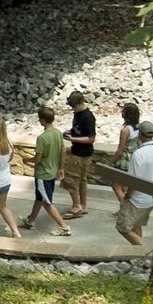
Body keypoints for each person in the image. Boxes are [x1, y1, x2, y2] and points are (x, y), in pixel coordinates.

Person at [19, 106, 72, 237]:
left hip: (43, 174)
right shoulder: (58, 134)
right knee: (40, 198)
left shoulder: (42, 138)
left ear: (42, 120)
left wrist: (27, 160)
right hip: (52, 172)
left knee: (47, 202)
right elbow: (63, 151)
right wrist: (61, 168)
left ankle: (64, 227)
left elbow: (37, 159)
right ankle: (30, 221)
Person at [116, 120, 153, 246]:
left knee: (123, 227)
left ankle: (143, 250)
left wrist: (128, 196)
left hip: (138, 199)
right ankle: (137, 251)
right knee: (136, 223)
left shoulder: (138, 154)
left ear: (140, 135)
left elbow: (134, 181)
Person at [61, 90, 97, 220]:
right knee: (82, 180)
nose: (73, 109)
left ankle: (77, 206)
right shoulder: (77, 115)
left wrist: (73, 140)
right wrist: (70, 133)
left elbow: (91, 138)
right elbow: (78, 130)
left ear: (81, 103)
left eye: (75, 106)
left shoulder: (88, 117)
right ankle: (83, 206)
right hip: (77, 150)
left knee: (70, 179)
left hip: (82, 154)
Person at [109, 102, 141, 203]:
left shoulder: (125, 130)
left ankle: (124, 207)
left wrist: (111, 161)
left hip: (124, 161)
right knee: (125, 187)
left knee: (116, 185)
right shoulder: (138, 128)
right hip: (132, 159)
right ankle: (125, 208)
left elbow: (120, 149)